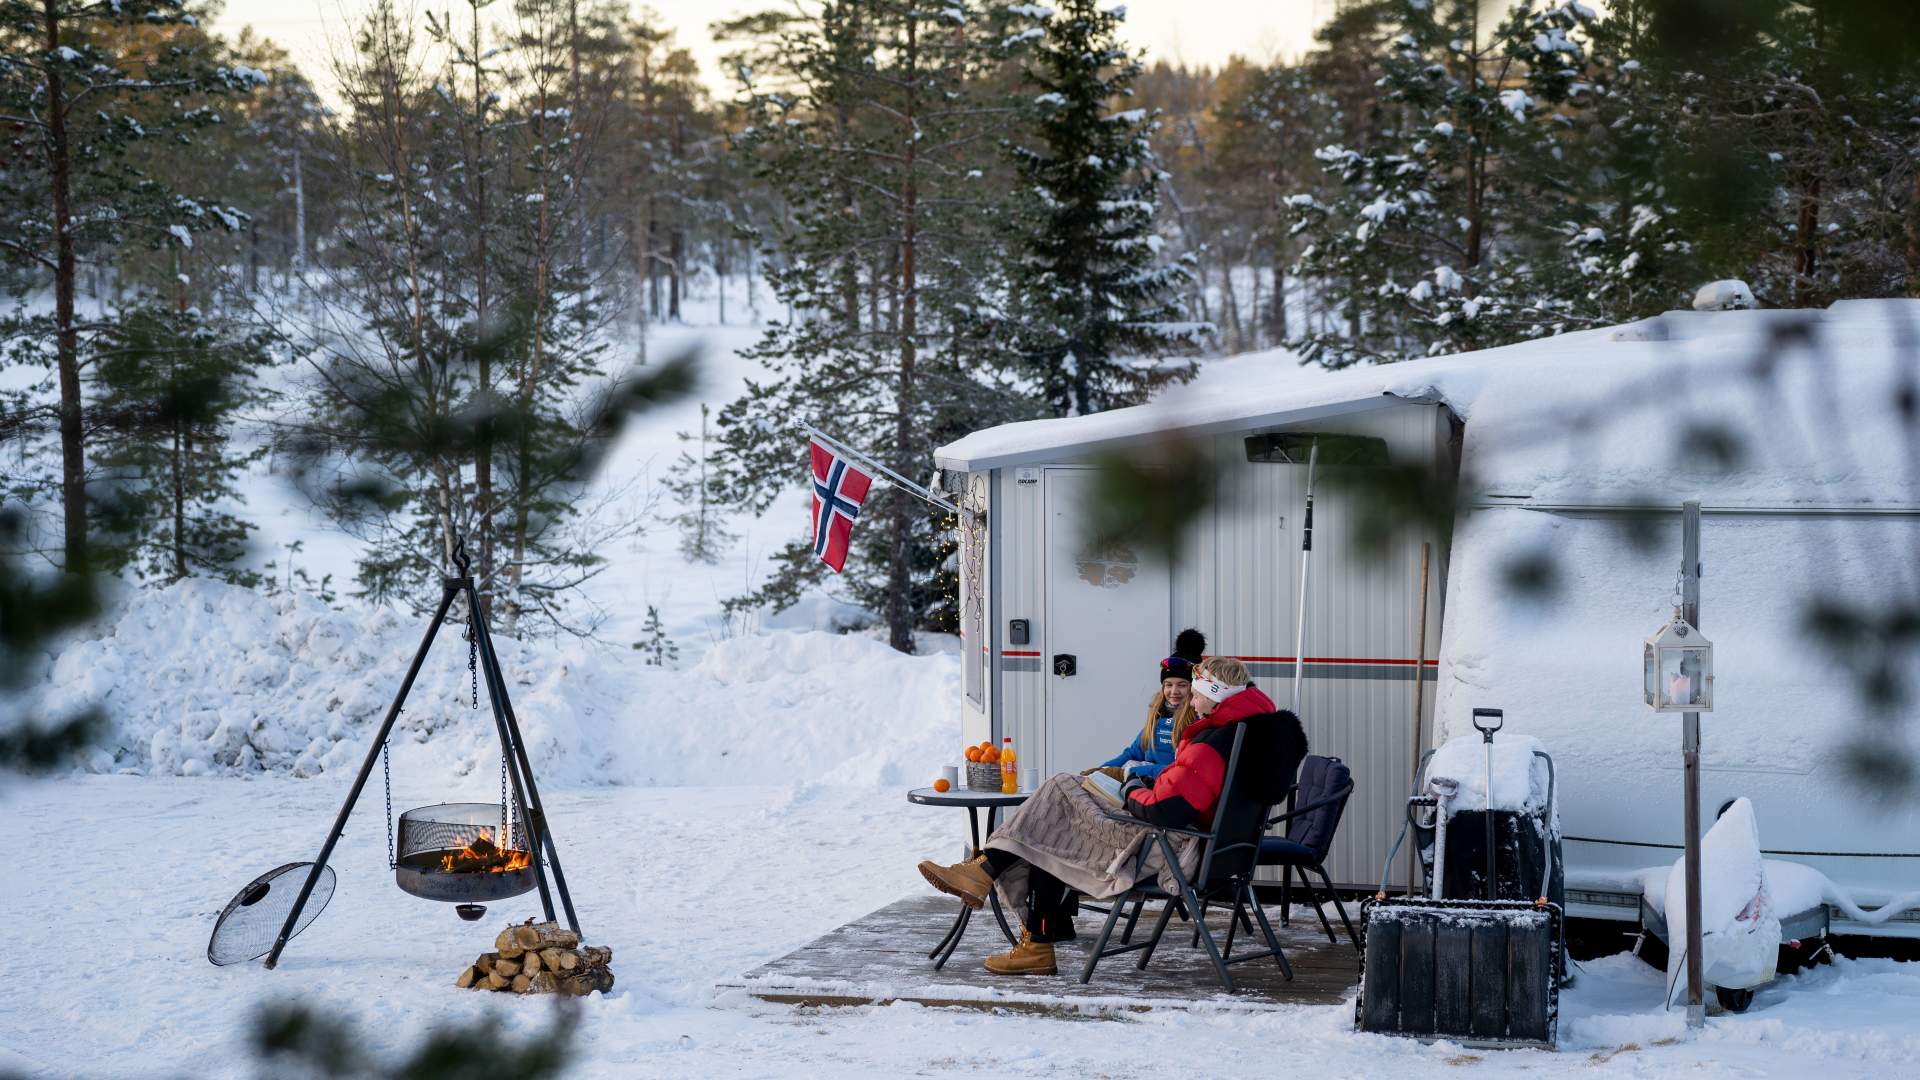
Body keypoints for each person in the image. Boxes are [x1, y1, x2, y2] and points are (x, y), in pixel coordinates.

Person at [918, 656, 1307, 976]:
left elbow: (1164, 809)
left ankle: (990, 880)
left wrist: (1131, 786)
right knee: (1058, 822)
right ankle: (1020, 923)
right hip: (1206, 849)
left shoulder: (1212, 745)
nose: (1190, 698)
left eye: (1197, 689)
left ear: (1212, 695)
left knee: (1058, 795)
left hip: (1168, 847)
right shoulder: (1250, 737)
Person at [1085, 629, 1206, 784]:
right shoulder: (1158, 714)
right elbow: (1133, 752)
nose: (1174, 691)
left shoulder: (1197, 721)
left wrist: (1129, 772)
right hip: (1142, 783)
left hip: (1165, 789)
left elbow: (1182, 770)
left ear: (1193, 688)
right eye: (1168, 685)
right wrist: (1102, 770)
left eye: (1182, 685)